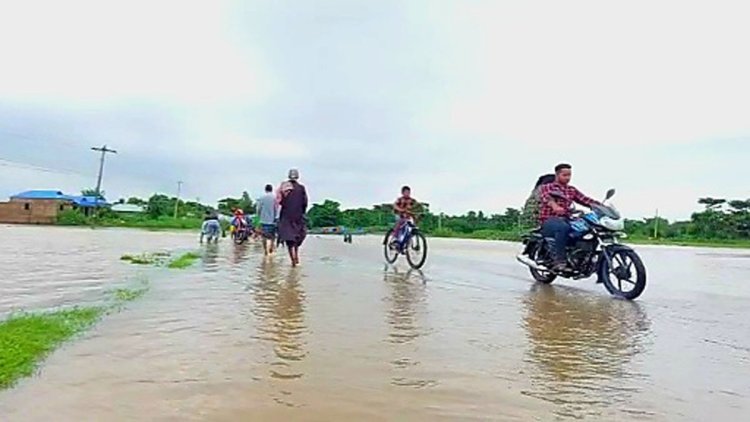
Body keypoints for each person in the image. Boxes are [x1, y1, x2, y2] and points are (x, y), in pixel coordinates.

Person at [539, 164, 600, 272]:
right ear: (557, 175)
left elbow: (585, 200)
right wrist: (555, 206)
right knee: (563, 228)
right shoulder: (547, 187)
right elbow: (547, 198)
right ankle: (559, 261)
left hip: (567, 218)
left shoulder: (571, 190)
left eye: (569, 175)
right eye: (565, 175)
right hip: (549, 219)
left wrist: (601, 206)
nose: (567, 178)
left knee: (587, 228)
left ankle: (580, 256)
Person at [277, 169, 308, 266]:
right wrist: (302, 212)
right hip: (298, 216)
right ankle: (296, 256)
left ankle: (293, 259)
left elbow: (279, 201)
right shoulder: (301, 188)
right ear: (297, 177)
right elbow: (305, 202)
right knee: (297, 237)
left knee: (289, 239)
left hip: (286, 216)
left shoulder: (283, 187)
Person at [257, 184, 279, 256]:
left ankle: (265, 251)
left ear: (265, 189)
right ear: (271, 189)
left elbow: (258, 209)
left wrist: (259, 216)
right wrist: (276, 217)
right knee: (273, 236)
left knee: (264, 237)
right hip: (273, 220)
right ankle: (271, 248)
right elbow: (277, 209)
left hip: (264, 220)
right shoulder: (275, 198)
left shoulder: (262, 198)